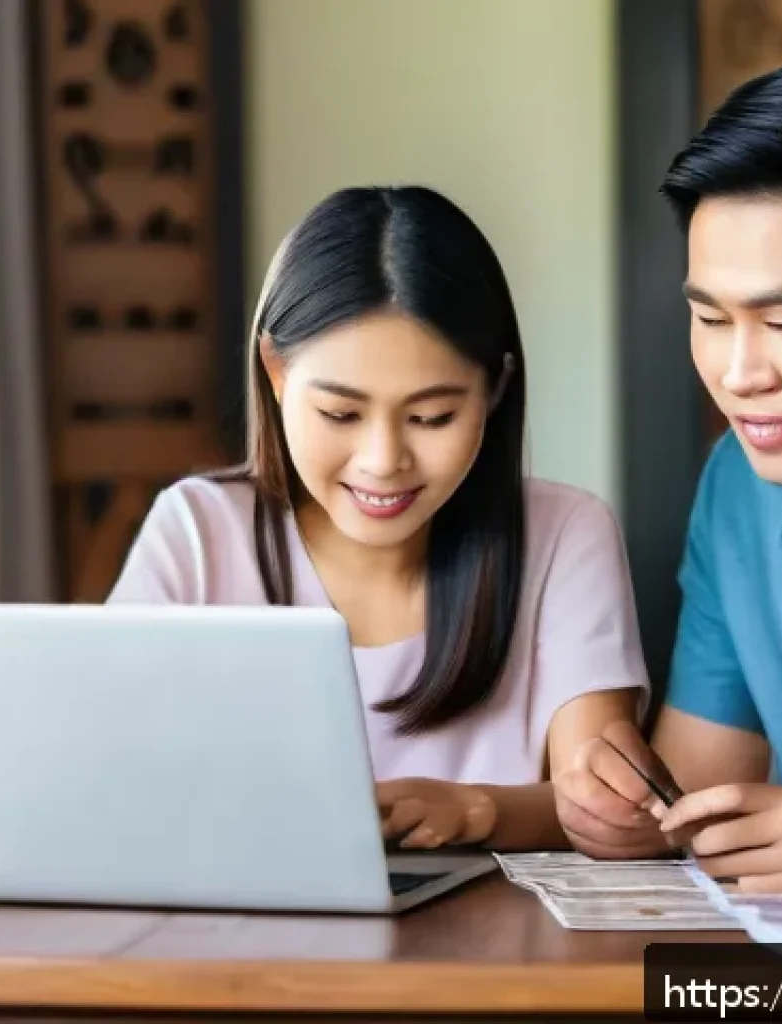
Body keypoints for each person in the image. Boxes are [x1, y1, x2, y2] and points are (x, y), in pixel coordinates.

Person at [108, 184, 649, 852]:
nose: (383, 460)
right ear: (275, 374)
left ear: (497, 388)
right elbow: (109, 777)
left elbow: (596, 805)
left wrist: (482, 811)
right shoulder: (197, 533)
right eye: (341, 415)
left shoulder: (564, 534)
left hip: (499, 946)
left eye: (431, 418)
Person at [554, 57, 782, 891]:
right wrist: (630, 810)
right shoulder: (739, 485)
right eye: (709, 318)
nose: (738, 372)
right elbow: (698, 795)